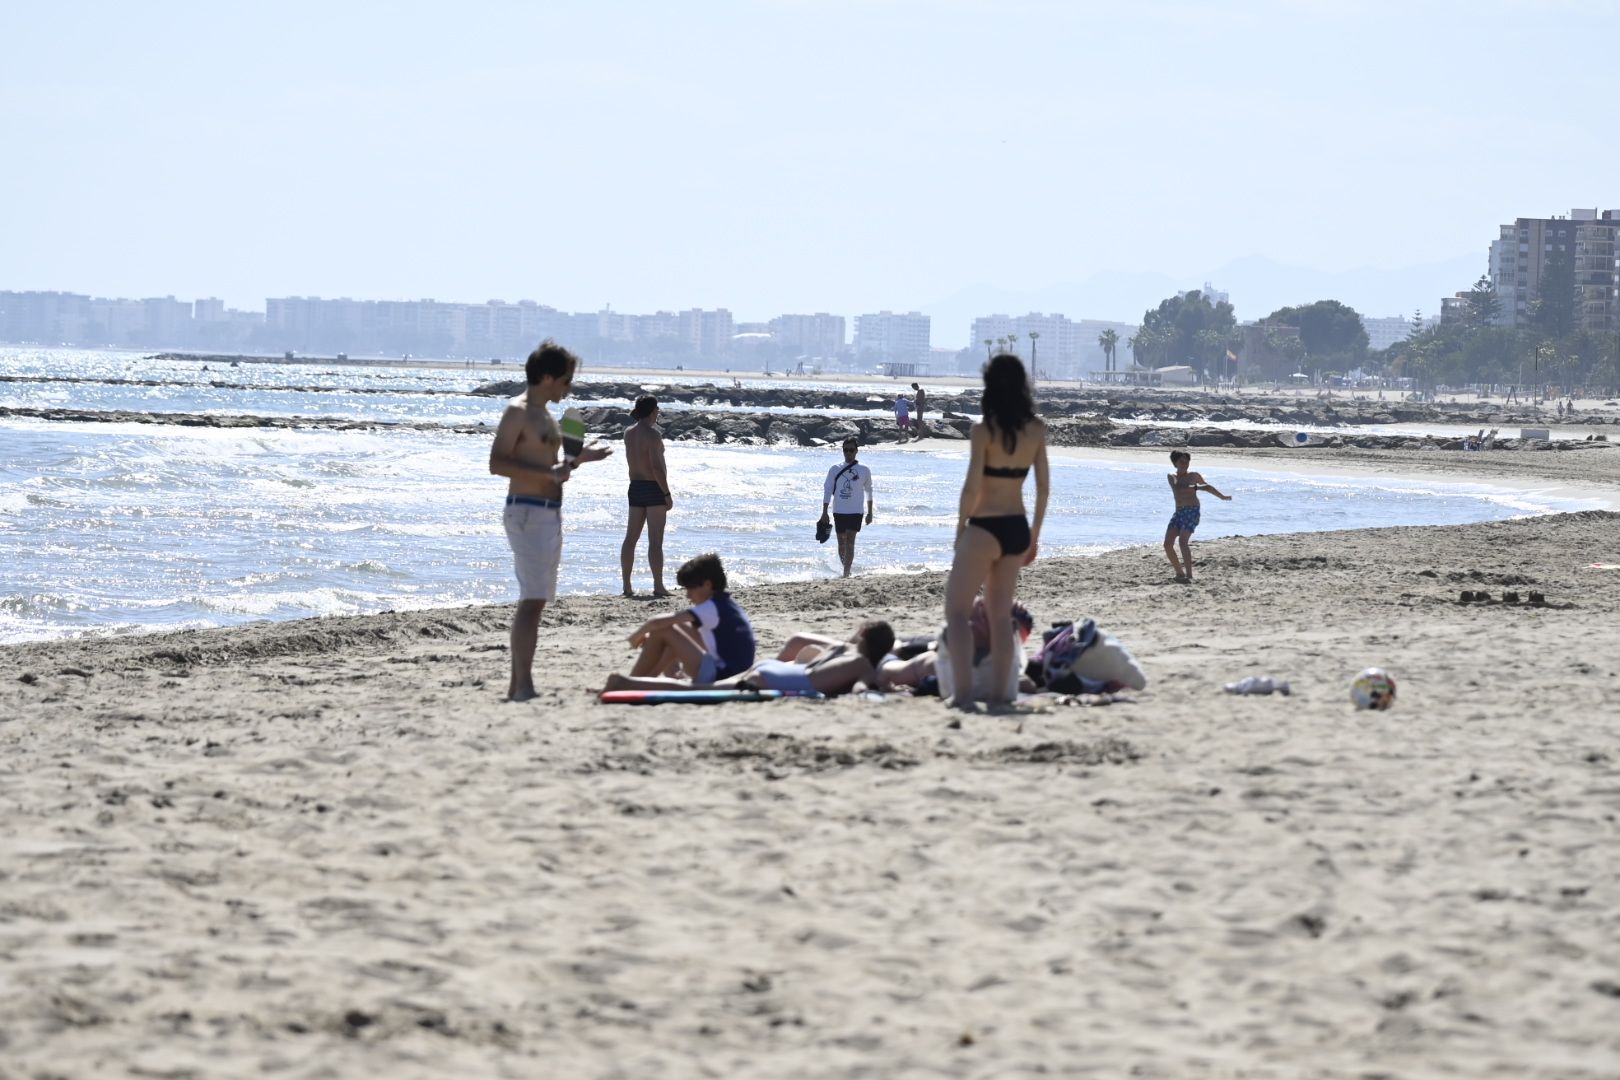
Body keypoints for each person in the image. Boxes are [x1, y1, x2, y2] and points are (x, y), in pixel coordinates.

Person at [488, 339, 613, 701]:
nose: (569, 387)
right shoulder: (519, 411)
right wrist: (551, 475)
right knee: (532, 599)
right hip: (527, 510)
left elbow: (554, 470)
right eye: (566, 380)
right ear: (547, 377)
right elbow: (497, 462)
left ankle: (519, 685)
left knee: (537, 599)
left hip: (546, 512)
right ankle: (522, 687)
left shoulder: (545, 415)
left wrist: (578, 460)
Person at [942, 354, 1049, 710]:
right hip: (1016, 526)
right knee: (1000, 616)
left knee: (957, 611)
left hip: (985, 525)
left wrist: (960, 528)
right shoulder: (1036, 429)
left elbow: (972, 487)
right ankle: (1003, 695)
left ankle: (964, 694)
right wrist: (1034, 536)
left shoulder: (982, 431)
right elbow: (1044, 489)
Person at [604, 620, 895, 698]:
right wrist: (886, 690)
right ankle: (623, 683)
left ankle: (627, 682)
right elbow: (860, 689)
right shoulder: (864, 665)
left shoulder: (844, 649)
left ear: (863, 635)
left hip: (772, 668)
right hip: (771, 678)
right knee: (692, 691)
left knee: (693, 687)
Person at [616, 552, 755, 685]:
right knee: (674, 629)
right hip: (733, 671)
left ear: (707, 585)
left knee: (662, 630)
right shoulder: (726, 604)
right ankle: (647, 679)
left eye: (690, 589)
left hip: (723, 674)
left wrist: (635, 637)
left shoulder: (711, 607)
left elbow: (656, 622)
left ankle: (631, 682)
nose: (688, 596)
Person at [619, 395, 673, 598]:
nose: (658, 412)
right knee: (655, 541)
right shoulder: (653, 435)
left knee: (630, 539)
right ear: (652, 412)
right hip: (653, 488)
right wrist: (666, 493)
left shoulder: (628, 433)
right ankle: (658, 586)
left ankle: (627, 586)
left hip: (635, 487)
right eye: (657, 409)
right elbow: (657, 468)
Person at [1164, 449, 1232, 583]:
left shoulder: (1194, 475)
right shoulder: (1171, 476)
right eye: (1181, 462)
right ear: (1174, 463)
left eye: (1187, 462)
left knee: (1183, 542)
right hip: (1178, 512)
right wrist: (1195, 487)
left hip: (1192, 511)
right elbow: (1179, 488)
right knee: (1167, 544)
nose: (1184, 464)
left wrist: (1222, 497)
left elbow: (1207, 486)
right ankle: (1179, 572)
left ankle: (1189, 575)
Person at [819, 436, 875, 578]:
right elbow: (827, 490)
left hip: (856, 511)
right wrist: (824, 512)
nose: (848, 453)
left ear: (856, 451)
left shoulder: (864, 470)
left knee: (850, 541)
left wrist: (870, 512)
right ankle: (846, 567)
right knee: (841, 543)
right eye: (845, 450)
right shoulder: (834, 469)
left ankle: (846, 572)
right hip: (839, 511)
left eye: (851, 450)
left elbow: (869, 491)